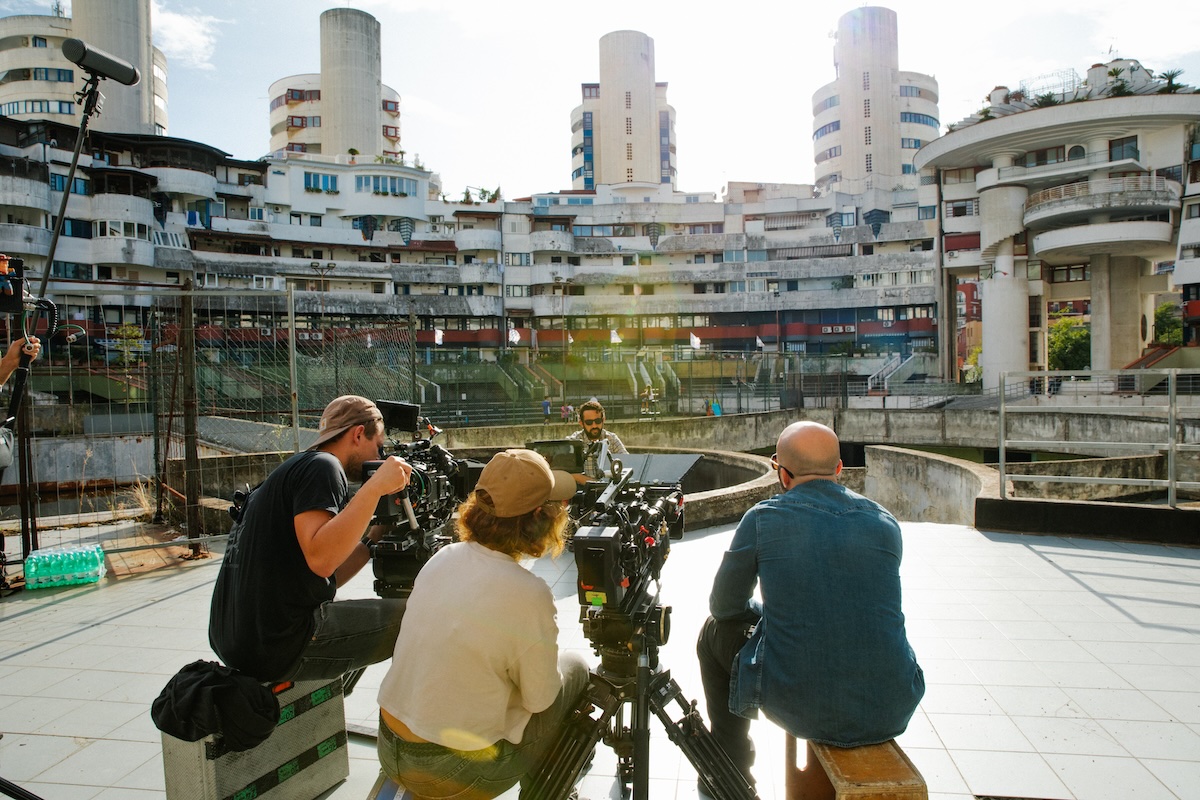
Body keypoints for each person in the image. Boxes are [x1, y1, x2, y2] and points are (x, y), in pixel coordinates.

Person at [696, 421, 924, 787]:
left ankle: (730, 774)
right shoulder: (884, 522)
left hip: (800, 707)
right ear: (838, 469)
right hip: (892, 704)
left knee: (712, 634)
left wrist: (765, 616)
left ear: (782, 474)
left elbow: (724, 607)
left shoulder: (762, 519)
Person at [376, 449, 588, 799]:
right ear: (539, 516)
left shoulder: (443, 557)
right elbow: (540, 700)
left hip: (390, 746)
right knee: (576, 669)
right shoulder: (528, 593)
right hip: (449, 770)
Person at [208, 395, 414, 683]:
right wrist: (377, 486)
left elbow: (322, 574)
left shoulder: (295, 469)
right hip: (280, 643)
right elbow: (322, 559)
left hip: (238, 641)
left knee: (362, 614)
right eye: (378, 448)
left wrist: (370, 542)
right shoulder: (323, 467)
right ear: (357, 434)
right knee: (423, 615)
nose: (379, 459)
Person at [565, 399, 628, 484]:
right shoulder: (574, 441)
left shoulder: (611, 439)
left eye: (598, 421)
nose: (594, 425)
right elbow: (568, 472)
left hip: (611, 489)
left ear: (603, 420)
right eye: (589, 422)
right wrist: (593, 483)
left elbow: (627, 464)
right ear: (581, 423)